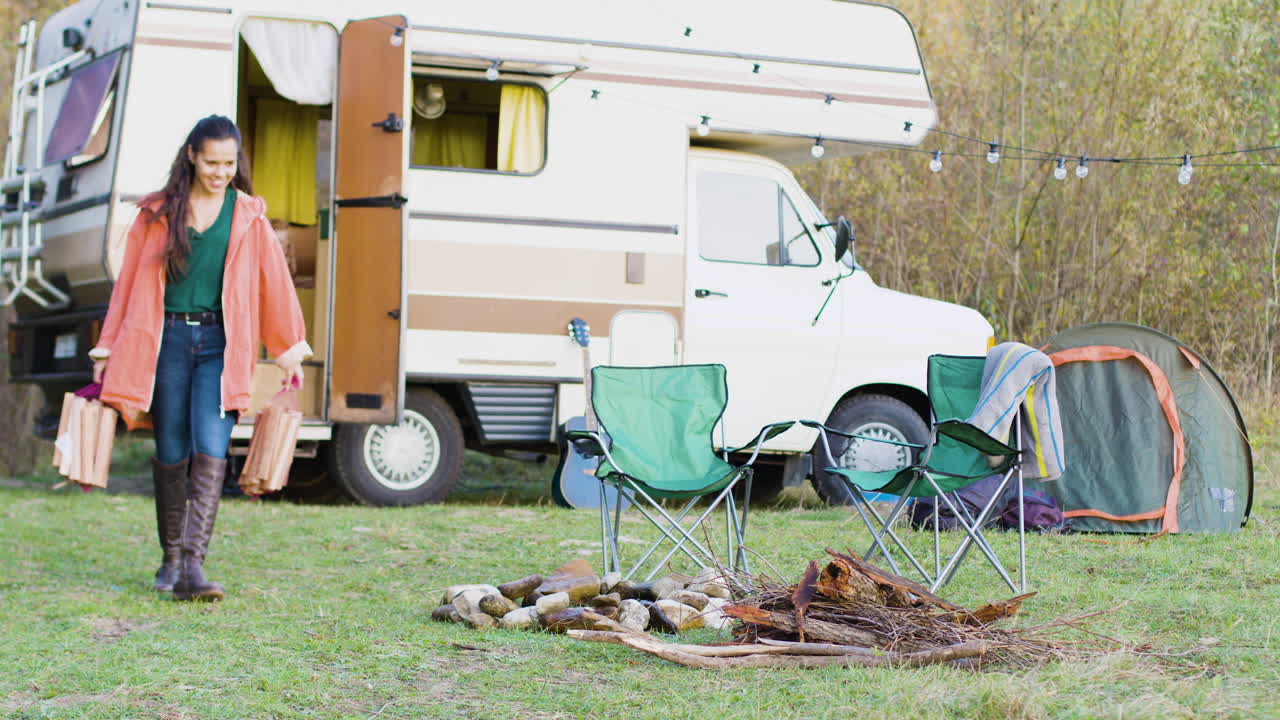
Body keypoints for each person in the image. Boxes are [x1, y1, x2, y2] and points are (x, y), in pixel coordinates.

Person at [89, 115, 310, 601]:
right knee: (171, 451)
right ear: (191, 155)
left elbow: (274, 283)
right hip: (163, 343)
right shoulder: (158, 213)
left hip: (221, 347)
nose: (220, 172)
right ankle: (170, 558)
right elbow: (126, 288)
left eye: (229, 163)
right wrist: (106, 349)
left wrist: (288, 348)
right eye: (212, 162)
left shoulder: (247, 214)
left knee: (211, 448)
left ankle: (192, 565)